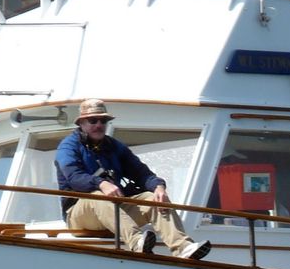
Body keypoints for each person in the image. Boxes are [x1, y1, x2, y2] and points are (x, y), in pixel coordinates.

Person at [55, 99, 211, 260]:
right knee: (99, 196)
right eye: (93, 120)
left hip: (115, 209)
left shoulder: (114, 146)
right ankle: (137, 243)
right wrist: (101, 183)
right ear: (81, 123)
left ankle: (183, 248)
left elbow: (142, 174)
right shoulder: (68, 146)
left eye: (103, 121)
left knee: (152, 198)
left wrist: (158, 187)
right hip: (79, 215)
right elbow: (73, 177)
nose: (99, 125)